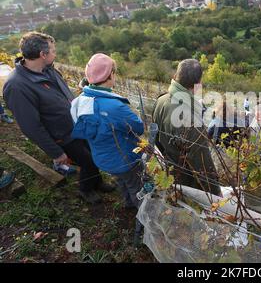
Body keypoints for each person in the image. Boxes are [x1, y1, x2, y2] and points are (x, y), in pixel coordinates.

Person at [2, 32, 114, 204]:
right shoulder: (17, 86)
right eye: (53, 51)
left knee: (92, 155)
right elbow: (30, 126)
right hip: (63, 135)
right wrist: (55, 151)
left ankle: (97, 182)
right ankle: (85, 190)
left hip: (77, 125)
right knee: (87, 160)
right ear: (42, 54)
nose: (55, 53)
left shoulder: (48, 69)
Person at [71, 53, 144, 208]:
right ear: (110, 75)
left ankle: (127, 203)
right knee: (136, 187)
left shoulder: (79, 101)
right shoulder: (115, 107)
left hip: (103, 159)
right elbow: (139, 127)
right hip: (126, 159)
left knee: (121, 181)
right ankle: (142, 215)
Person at [152, 59, 221, 196]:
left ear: (175, 77)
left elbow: (156, 139)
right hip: (187, 182)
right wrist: (216, 195)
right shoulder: (191, 120)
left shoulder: (161, 100)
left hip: (170, 170)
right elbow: (203, 167)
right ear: (198, 85)